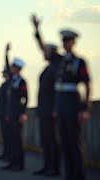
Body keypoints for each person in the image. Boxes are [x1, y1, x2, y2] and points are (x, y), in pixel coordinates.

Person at [55, 29, 91, 180]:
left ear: (73, 42)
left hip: (73, 103)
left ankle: (79, 176)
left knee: (75, 143)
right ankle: (69, 175)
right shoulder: (61, 61)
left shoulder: (79, 61)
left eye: (68, 41)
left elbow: (87, 85)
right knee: (65, 142)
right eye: (63, 41)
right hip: (61, 104)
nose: (65, 44)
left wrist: (85, 108)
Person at [31, 14, 61, 176]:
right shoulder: (48, 68)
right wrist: (36, 29)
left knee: (52, 140)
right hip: (44, 110)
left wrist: (37, 30)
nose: (43, 52)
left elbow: (58, 91)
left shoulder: (57, 66)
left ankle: (54, 167)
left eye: (47, 50)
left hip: (52, 111)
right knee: (46, 140)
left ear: (53, 52)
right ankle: (47, 165)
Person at [2, 57, 28, 171]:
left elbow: (25, 98)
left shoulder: (21, 81)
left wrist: (23, 113)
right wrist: (6, 54)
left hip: (17, 114)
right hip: (11, 113)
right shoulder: (12, 79)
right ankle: (12, 162)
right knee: (11, 139)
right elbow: (7, 66)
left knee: (18, 140)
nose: (10, 68)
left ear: (17, 68)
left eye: (13, 67)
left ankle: (19, 164)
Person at [0, 43, 12, 161]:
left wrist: (6, 54)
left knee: (9, 136)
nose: (3, 74)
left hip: (8, 113)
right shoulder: (4, 85)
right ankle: (6, 154)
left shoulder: (10, 83)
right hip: (2, 113)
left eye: (4, 72)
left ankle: (9, 155)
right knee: (5, 136)